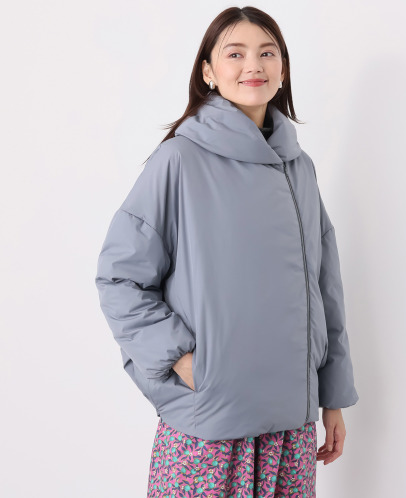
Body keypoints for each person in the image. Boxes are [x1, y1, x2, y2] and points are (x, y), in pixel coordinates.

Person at [95, 6, 359, 497]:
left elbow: (324, 289)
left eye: (267, 53)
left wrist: (333, 397)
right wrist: (185, 360)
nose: (253, 65)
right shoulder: (179, 160)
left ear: (282, 70)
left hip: (291, 429)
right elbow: (119, 278)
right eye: (235, 54)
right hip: (211, 425)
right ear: (208, 72)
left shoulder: (300, 167)